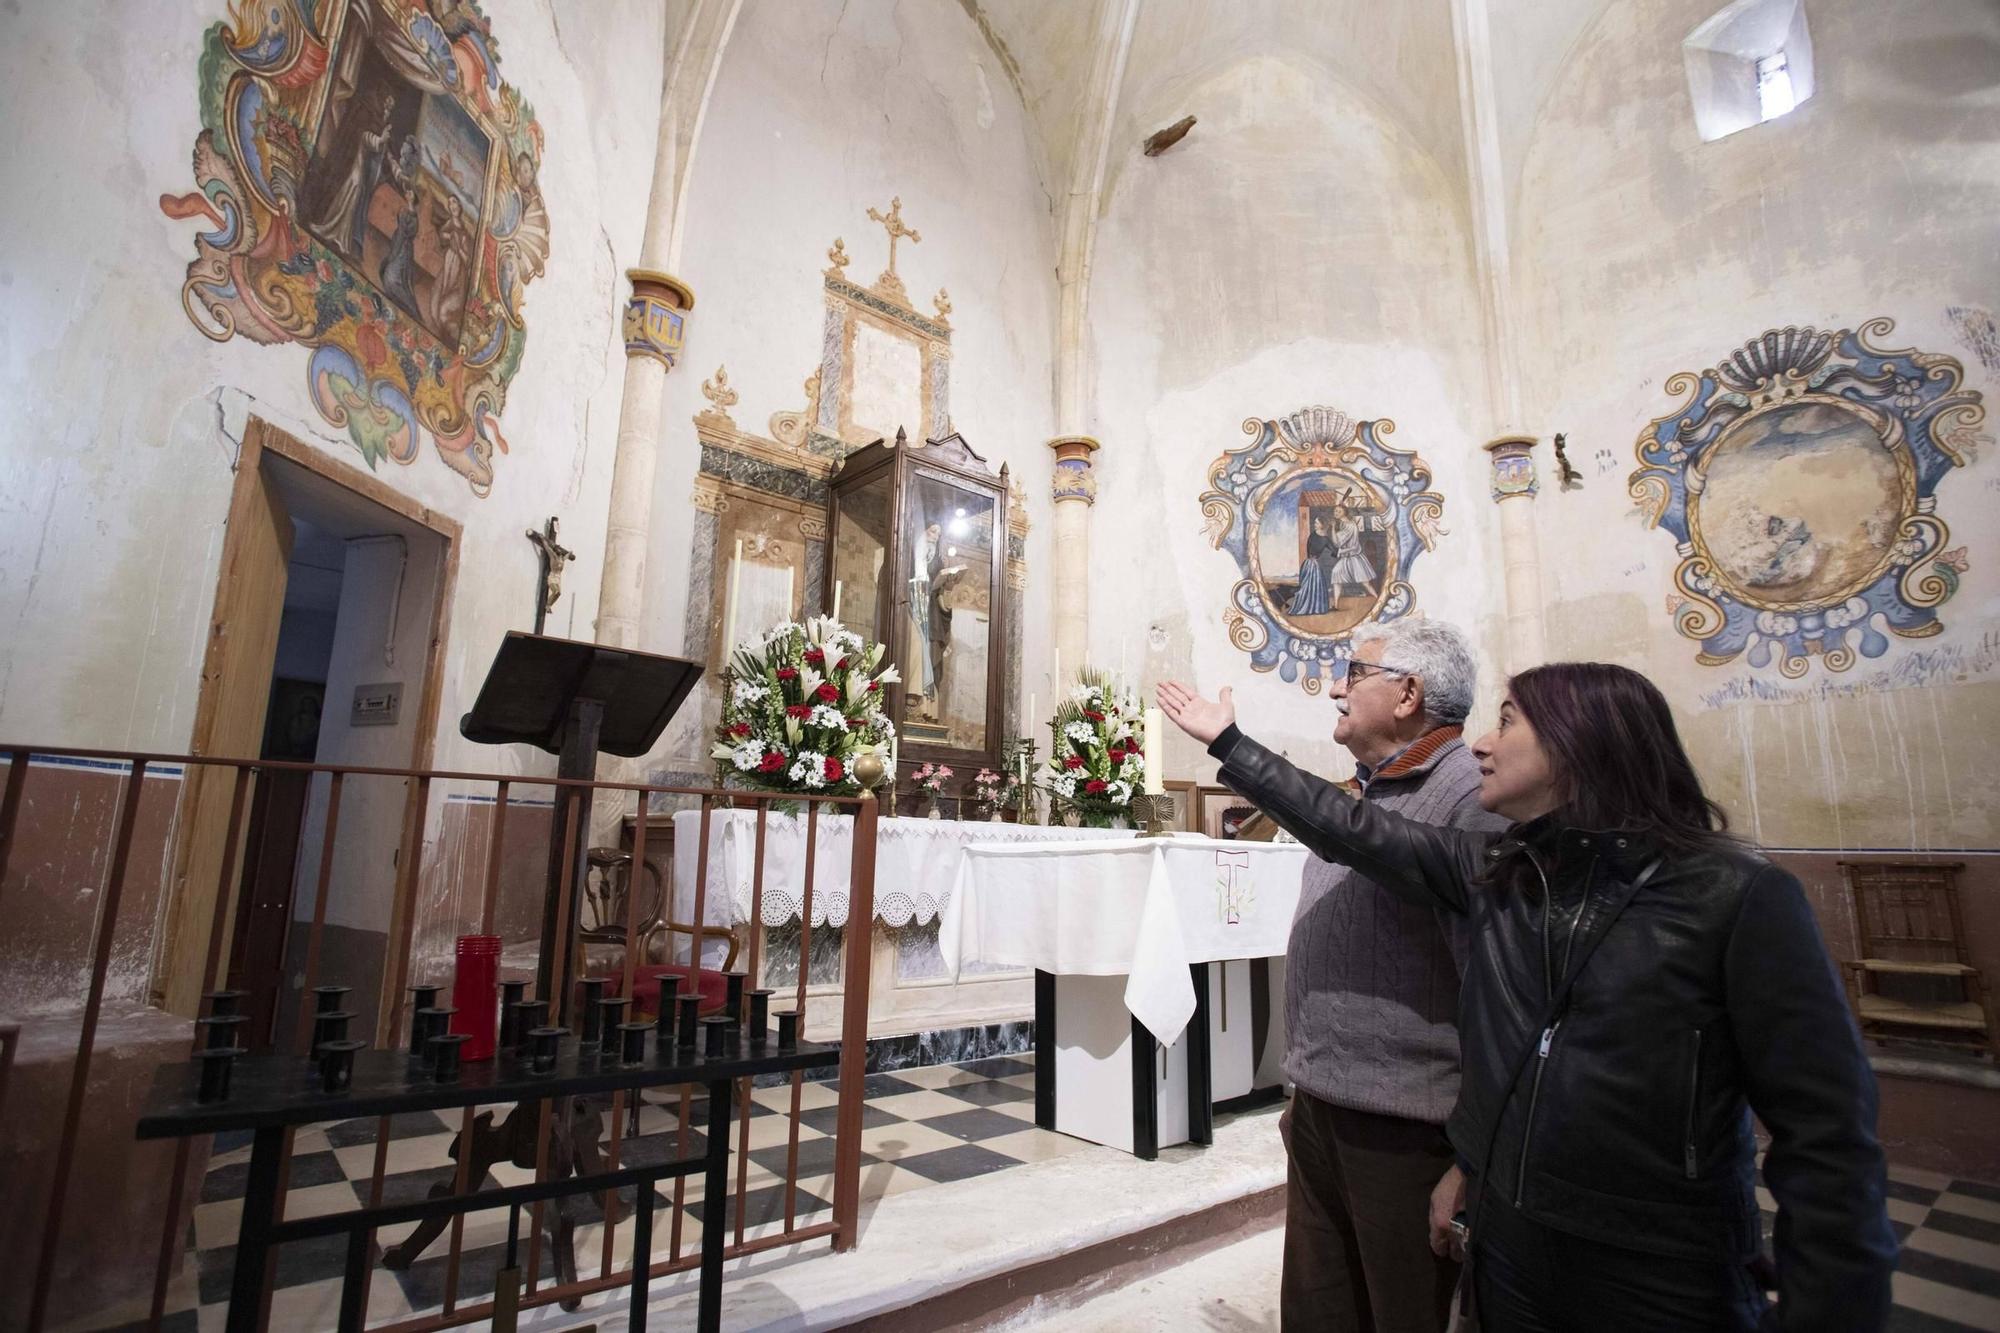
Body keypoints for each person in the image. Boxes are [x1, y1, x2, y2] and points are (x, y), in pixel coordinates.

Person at [1158, 663, 1893, 1332]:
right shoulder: (1501, 873)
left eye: (1508, 721)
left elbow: (1827, 1136)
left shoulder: (1737, 898)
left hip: (1657, 1261)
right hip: (1513, 1245)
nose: (1482, 741)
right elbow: (1355, 831)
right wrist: (1473, 1162)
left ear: (1582, 744)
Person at [1277, 621, 1506, 1333]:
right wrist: (1306, 1092)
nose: (1336, 687)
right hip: (1325, 1105)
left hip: (1408, 1129)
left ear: (1408, 692)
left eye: (1354, 671)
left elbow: (1500, 1004)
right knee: (1320, 1309)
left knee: (1401, 1312)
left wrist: (1470, 1158)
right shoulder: (1366, 793)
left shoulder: (1466, 799)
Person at [1288, 515, 1333, 617]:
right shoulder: (1320, 537)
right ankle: (1313, 607)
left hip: (1310, 563)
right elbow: (1334, 551)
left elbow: (1334, 551)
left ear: (1322, 524)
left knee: (1311, 586)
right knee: (1309, 585)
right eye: (1315, 522)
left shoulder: (1320, 537)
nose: (1315, 524)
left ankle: (1312, 607)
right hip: (1312, 564)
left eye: (1317, 523)